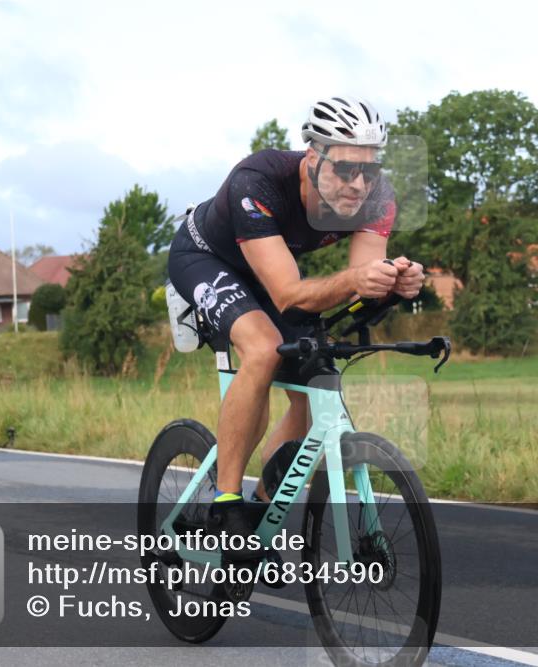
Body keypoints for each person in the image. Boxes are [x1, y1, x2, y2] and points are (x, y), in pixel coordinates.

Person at [167, 96, 424, 558]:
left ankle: (261, 511)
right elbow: (288, 295)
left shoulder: (377, 197)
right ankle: (226, 506)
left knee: (314, 381)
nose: (359, 184)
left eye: (369, 170)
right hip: (207, 258)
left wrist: (392, 285)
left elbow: (361, 285)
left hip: (271, 268)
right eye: (345, 169)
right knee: (263, 349)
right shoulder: (258, 181)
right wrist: (356, 281)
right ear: (312, 158)